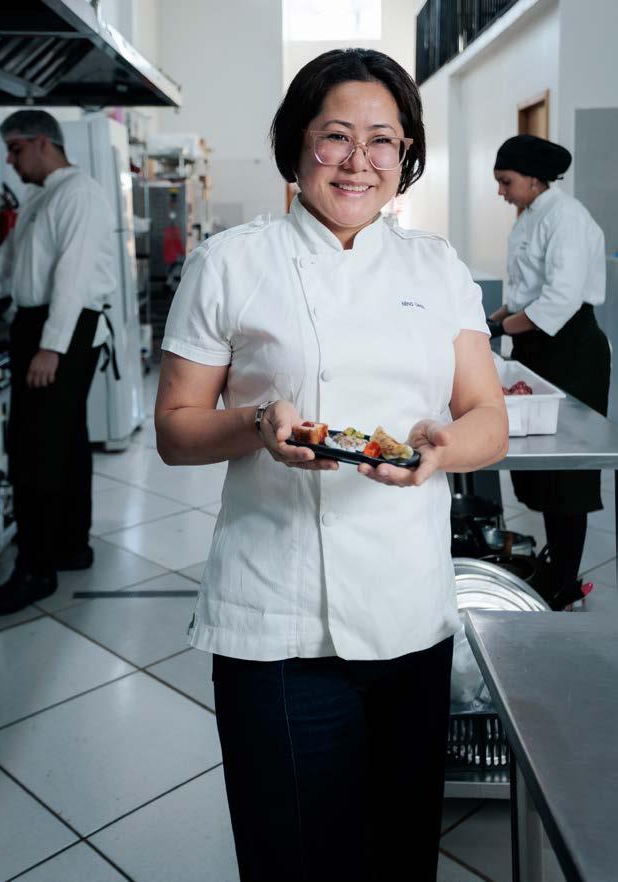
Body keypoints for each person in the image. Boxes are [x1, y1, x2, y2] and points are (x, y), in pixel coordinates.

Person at [155, 49, 508, 882]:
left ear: (405, 152)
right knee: (294, 858)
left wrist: (439, 450)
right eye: (335, 135)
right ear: (296, 143)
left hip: (408, 607)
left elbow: (487, 420)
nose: (358, 161)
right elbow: (175, 429)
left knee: (400, 853)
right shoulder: (229, 262)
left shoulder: (436, 266)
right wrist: (256, 425)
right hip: (275, 618)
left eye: (382, 140)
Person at [0, 110, 115, 616]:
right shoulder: (41, 197)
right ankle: (70, 545)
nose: (10, 162)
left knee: (33, 449)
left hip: (63, 327)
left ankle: (35, 570)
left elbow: (73, 278)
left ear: (42, 142)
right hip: (46, 325)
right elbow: (5, 263)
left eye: (15, 150)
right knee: (65, 442)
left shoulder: (79, 194)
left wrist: (50, 347)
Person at [489, 134, 610, 610]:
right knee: (539, 460)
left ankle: (564, 580)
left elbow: (560, 300)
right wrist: (492, 319)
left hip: (572, 349)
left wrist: (502, 329)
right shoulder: (530, 216)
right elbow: (524, 293)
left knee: (567, 469)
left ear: (534, 178)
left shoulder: (567, 218)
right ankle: (554, 560)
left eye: (506, 182)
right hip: (536, 345)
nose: (501, 192)